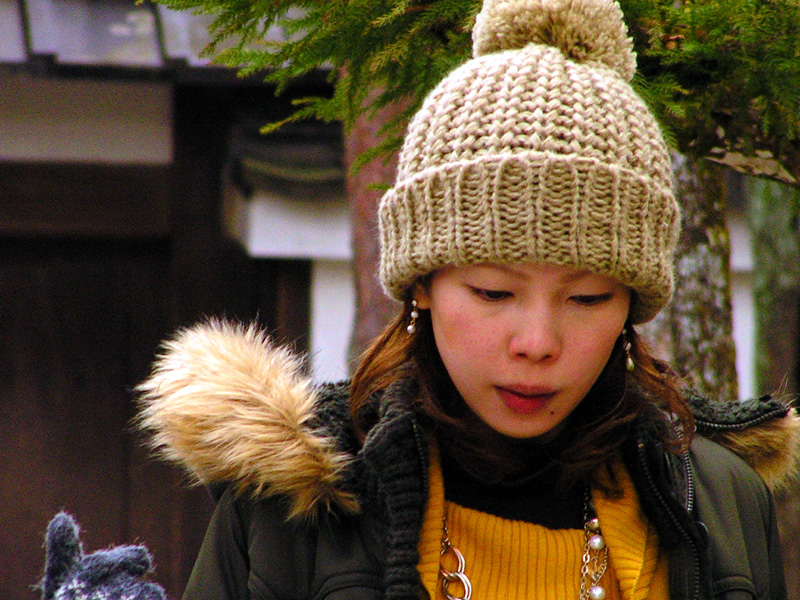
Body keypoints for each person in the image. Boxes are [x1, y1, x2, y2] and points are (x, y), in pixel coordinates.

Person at [47, 0, 799, 598]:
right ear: (422, 287)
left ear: (632, 308)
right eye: (494, 290)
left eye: (589, 297)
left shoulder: (723, 505)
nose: (537, 340)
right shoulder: (294, 503)